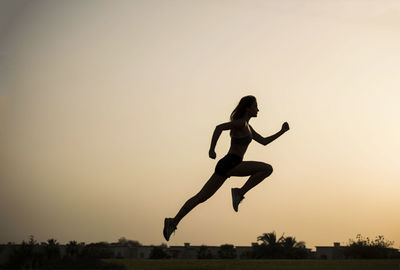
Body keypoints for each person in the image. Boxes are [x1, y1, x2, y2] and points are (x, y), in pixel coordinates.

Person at [163, 95, 290, 241]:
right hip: (231, 163)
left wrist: (282, 131)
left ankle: (173, 221)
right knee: (267, 169)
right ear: (248, 108)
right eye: (255, 106)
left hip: (229, 164)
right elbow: (219, 128)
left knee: (201, 197)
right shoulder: (240, 123)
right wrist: (211, 149)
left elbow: (264, 141)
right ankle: (239, 192)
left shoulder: (248, 127)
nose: (258, 109)